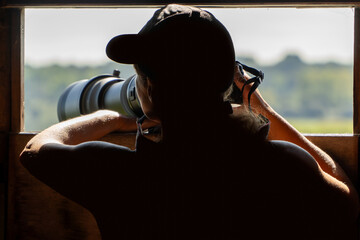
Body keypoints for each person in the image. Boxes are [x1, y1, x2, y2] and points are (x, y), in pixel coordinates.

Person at [20, 4, 359, 240]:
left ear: (150, 88)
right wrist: (258, 106)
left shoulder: (121, 174)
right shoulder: (282, 167)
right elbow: (347, 202)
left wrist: (106, 118)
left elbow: (34, 151)